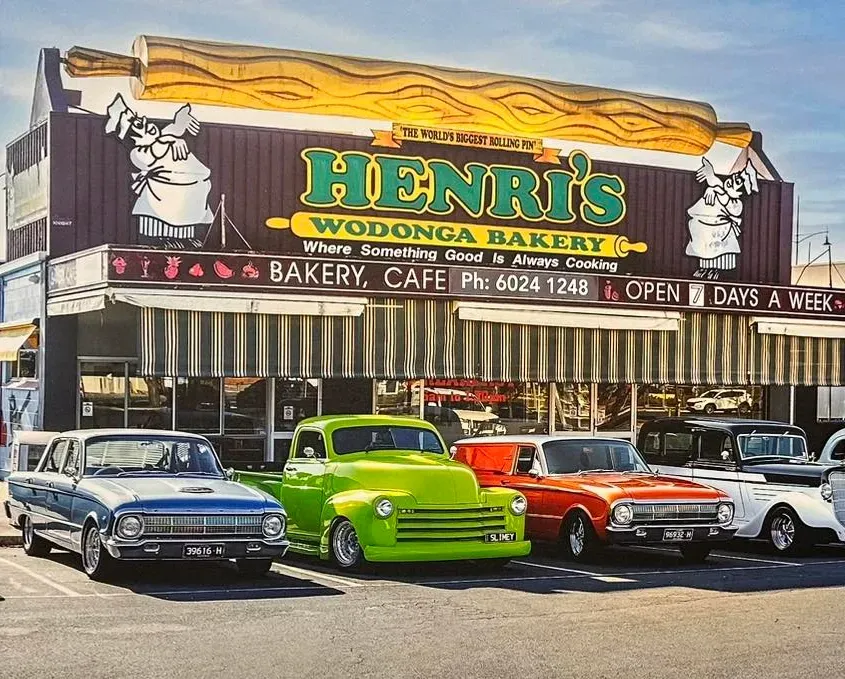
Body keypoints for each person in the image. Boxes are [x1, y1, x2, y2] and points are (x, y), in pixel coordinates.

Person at [105, 93, 214, 249]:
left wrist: (182, 116)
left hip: (192, 200)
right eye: (137, 124)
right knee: (160, 232)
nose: (144, 121)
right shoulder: (138, 152)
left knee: (186, 231)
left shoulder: (163, 137)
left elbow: (176, 127)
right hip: (160, 204)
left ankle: (185, 240)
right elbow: (155, 151)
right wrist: (170, 139)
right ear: (131, 136)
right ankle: (163, 241)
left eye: (140, 118)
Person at [685, 157, 759, 279]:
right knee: (705, 250)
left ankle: (716, 271)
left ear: (740, 192)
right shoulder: (720, 188)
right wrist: (710, 175)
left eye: (738, 182)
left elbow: (725, 199)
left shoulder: (737, 204)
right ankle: (705, 269)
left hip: (722, 233)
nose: (733, 179)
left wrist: (715, 189)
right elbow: (713, 180)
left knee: (720, 254)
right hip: (707, 230)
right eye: (735, 176)